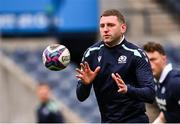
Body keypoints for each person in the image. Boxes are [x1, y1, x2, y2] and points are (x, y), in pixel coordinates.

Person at [75, 9, 155, 123]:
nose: (105, 29)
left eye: (110, 25)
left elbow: (150, 94)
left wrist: (128, 90)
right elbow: (80, 97)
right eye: (102, 26)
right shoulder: (91, 54)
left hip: (134, 120)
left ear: (123, 28)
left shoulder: (136, 55)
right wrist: (85, 84)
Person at [143, 42, 180, 123]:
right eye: (146, 60)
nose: (149, 64)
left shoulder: (175, 83)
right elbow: (167, 113)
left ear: (164, 59)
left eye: (153, 59)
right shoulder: (156, 82)